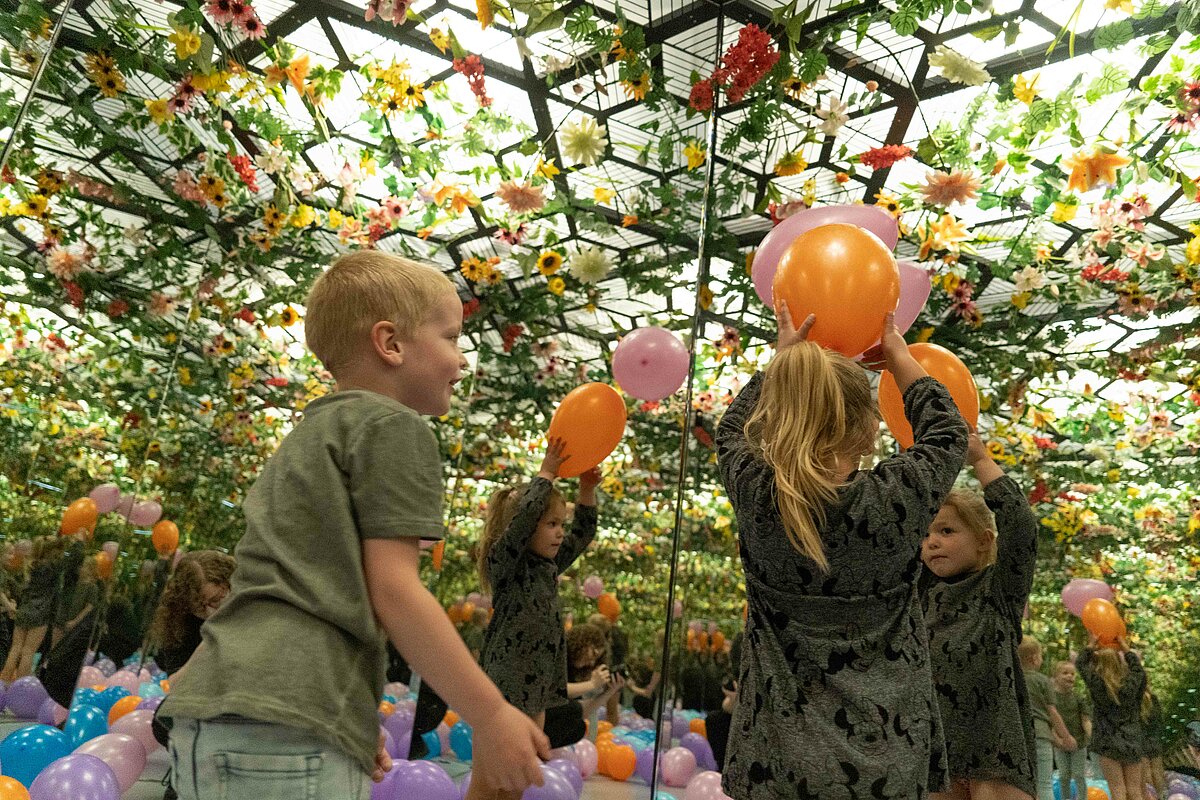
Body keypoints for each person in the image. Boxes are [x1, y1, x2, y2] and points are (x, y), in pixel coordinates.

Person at [157, 252, 549, 799]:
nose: (461, 362)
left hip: (218, 709)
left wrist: (347, 721)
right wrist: (491, 713)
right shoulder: (394, 426)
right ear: (390, 344)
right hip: (289, 719)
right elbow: (393, 588)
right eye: (451, 338)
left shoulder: (312, 432)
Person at [715, 306, 969, 800]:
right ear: (862, 427)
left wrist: (780, 363)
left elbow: (730, 435)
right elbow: (948, 433)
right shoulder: (894, 498)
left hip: (775, 756)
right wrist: (898, 356)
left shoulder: (761, 497)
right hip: (887, 755)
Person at [473, 439, 600, 800]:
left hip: (537, 693)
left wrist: (586, 491)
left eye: (561, 523)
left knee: (517, 783)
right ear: (525, 526)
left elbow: (583, 533)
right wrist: (545, 475)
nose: (561, 531)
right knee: (486, 784)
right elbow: (520, 525)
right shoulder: (506, 567)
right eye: (551, 524)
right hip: (503, 689)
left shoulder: (547, 567)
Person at [920, 436, 1043, 800]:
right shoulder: (921, 594)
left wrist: (981, 460)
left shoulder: (998, 590)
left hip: (996, 747)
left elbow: (1020, 527)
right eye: (925, 535)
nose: (931, 542)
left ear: (984, 541)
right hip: (936, 749)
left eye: (946, 530)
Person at [1076, 637, 1147, 800]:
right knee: (1135, 791)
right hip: (1131, 741)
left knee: (1117, 790)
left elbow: (1080, 664)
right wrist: (1126, 650)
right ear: (1119, 662)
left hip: (1107, 741)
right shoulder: (1131, 683)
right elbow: (1138, 671)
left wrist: (1090, 646)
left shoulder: (1097, 683)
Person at [149, 551, 236, 675]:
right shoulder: (179, 627)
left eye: (216, 600)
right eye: (199, 607)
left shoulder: (250, 609)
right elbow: (174, 684)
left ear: (228, 587)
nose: (210, 612)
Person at [1, 534, 73, 682]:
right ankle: (20, 686)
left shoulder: (32, 565)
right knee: (28, 652)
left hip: (25, 610)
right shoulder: (53, 568)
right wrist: (73, 541)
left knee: (15, 648)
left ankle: (4, 680)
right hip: (40, 613)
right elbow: (70, 560)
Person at [1018, 639, 1079, 800]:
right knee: (1044, 783)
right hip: (1040, 737)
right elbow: (1052, 713)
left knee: (1022, 784)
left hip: (1017, 735)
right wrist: (1066, 737)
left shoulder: (1014, 679)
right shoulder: (1042, 681)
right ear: (1034, 658)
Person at [1052, 660, 1093, 800]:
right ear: (1056, 677)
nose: (1070, 676)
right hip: (1059, 744)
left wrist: (1091, 737)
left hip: (1079, 742)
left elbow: (1085, 720)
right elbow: (1049, 721)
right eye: (1065, 673)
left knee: (1079, 775)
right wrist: (1056, 740)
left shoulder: (1078, 698)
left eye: (1072, 674)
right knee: (1063, 775)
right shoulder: (1051, 698)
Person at [1138, 688, 1166, 800]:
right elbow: (1160, 720)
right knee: (1158, 771)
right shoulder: (1153, 699)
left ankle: (1151, 797)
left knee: (1146, 773)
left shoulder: (1132, 700)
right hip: (1154, 739)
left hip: (1140, 740)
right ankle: (1161, 796)